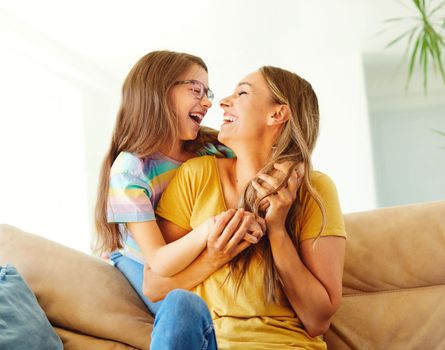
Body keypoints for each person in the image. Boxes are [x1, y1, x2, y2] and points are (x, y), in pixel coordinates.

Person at [147, 65, 347, 349]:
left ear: (277, 114)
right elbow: (154, 286)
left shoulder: (315, 190)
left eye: (241, 93)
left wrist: (277, 231)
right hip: (214, 343)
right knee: (181, 306)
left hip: (283, 345)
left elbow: (318, 320)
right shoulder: (197, 175)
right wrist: (216, 256)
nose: (223, 102)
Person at [94, 50, 265, 350]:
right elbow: (158, 261)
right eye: (195, 90)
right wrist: (212, 228)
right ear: (158, 93)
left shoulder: (213, 151)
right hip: (145, 260)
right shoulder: (130, 170)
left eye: (207, 92)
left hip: (196, 251)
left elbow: (261, 161)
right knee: (185, 306)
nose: (209, 102)